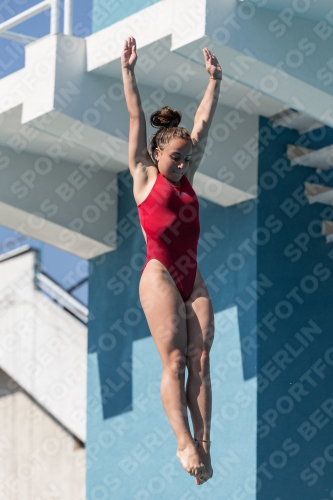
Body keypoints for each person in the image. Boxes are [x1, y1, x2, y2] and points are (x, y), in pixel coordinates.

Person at [121, 36, 222, 486]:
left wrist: (214, 82)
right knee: (176, 360)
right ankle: (183, 442)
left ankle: (205, 444)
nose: (182, 163)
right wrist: (129, 72)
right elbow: (136, 118)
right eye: (175, 157)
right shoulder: (143, 176)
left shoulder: (187, 176)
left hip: (191, 276)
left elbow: (202, 122)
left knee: (201, 362)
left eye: (186, 158)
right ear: (156, 155)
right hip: (159, 273)